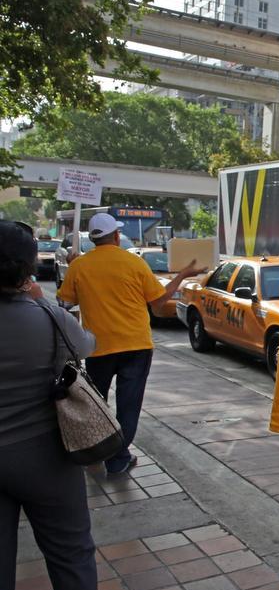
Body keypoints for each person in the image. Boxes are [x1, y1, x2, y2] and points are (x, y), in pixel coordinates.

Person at [57, 213, 202, 476]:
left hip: (97, 347)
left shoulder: (80, 266)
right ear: (115, 236)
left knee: (96, 404)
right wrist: (183, 275)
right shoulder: (133, 263)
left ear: (93, 239)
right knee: (129, 405)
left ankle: (99, 452)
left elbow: (65, 302)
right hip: (136, 345)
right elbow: (159, 302)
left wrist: (72, 267)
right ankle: (118, 458)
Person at [1, 220, 98, 588]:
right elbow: (87, 345)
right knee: (71, 553)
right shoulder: (47, 319)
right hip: (45, 455)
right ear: (27, 270)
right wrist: (38, 301)